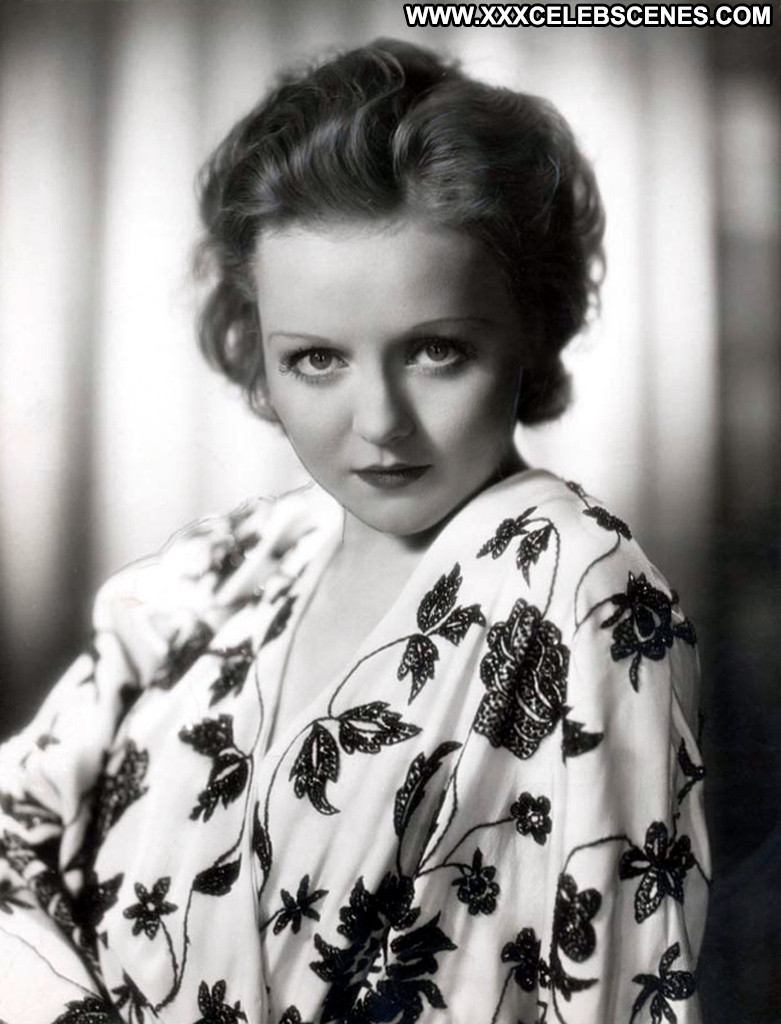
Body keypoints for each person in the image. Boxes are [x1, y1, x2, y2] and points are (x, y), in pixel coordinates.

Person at [0, 38, 708, 1024]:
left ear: (528, 329)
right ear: (256, 348)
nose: (378, 423)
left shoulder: (575, 581)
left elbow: (618, 985)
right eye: (317, 359)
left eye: (435, 351)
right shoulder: (221, 571)